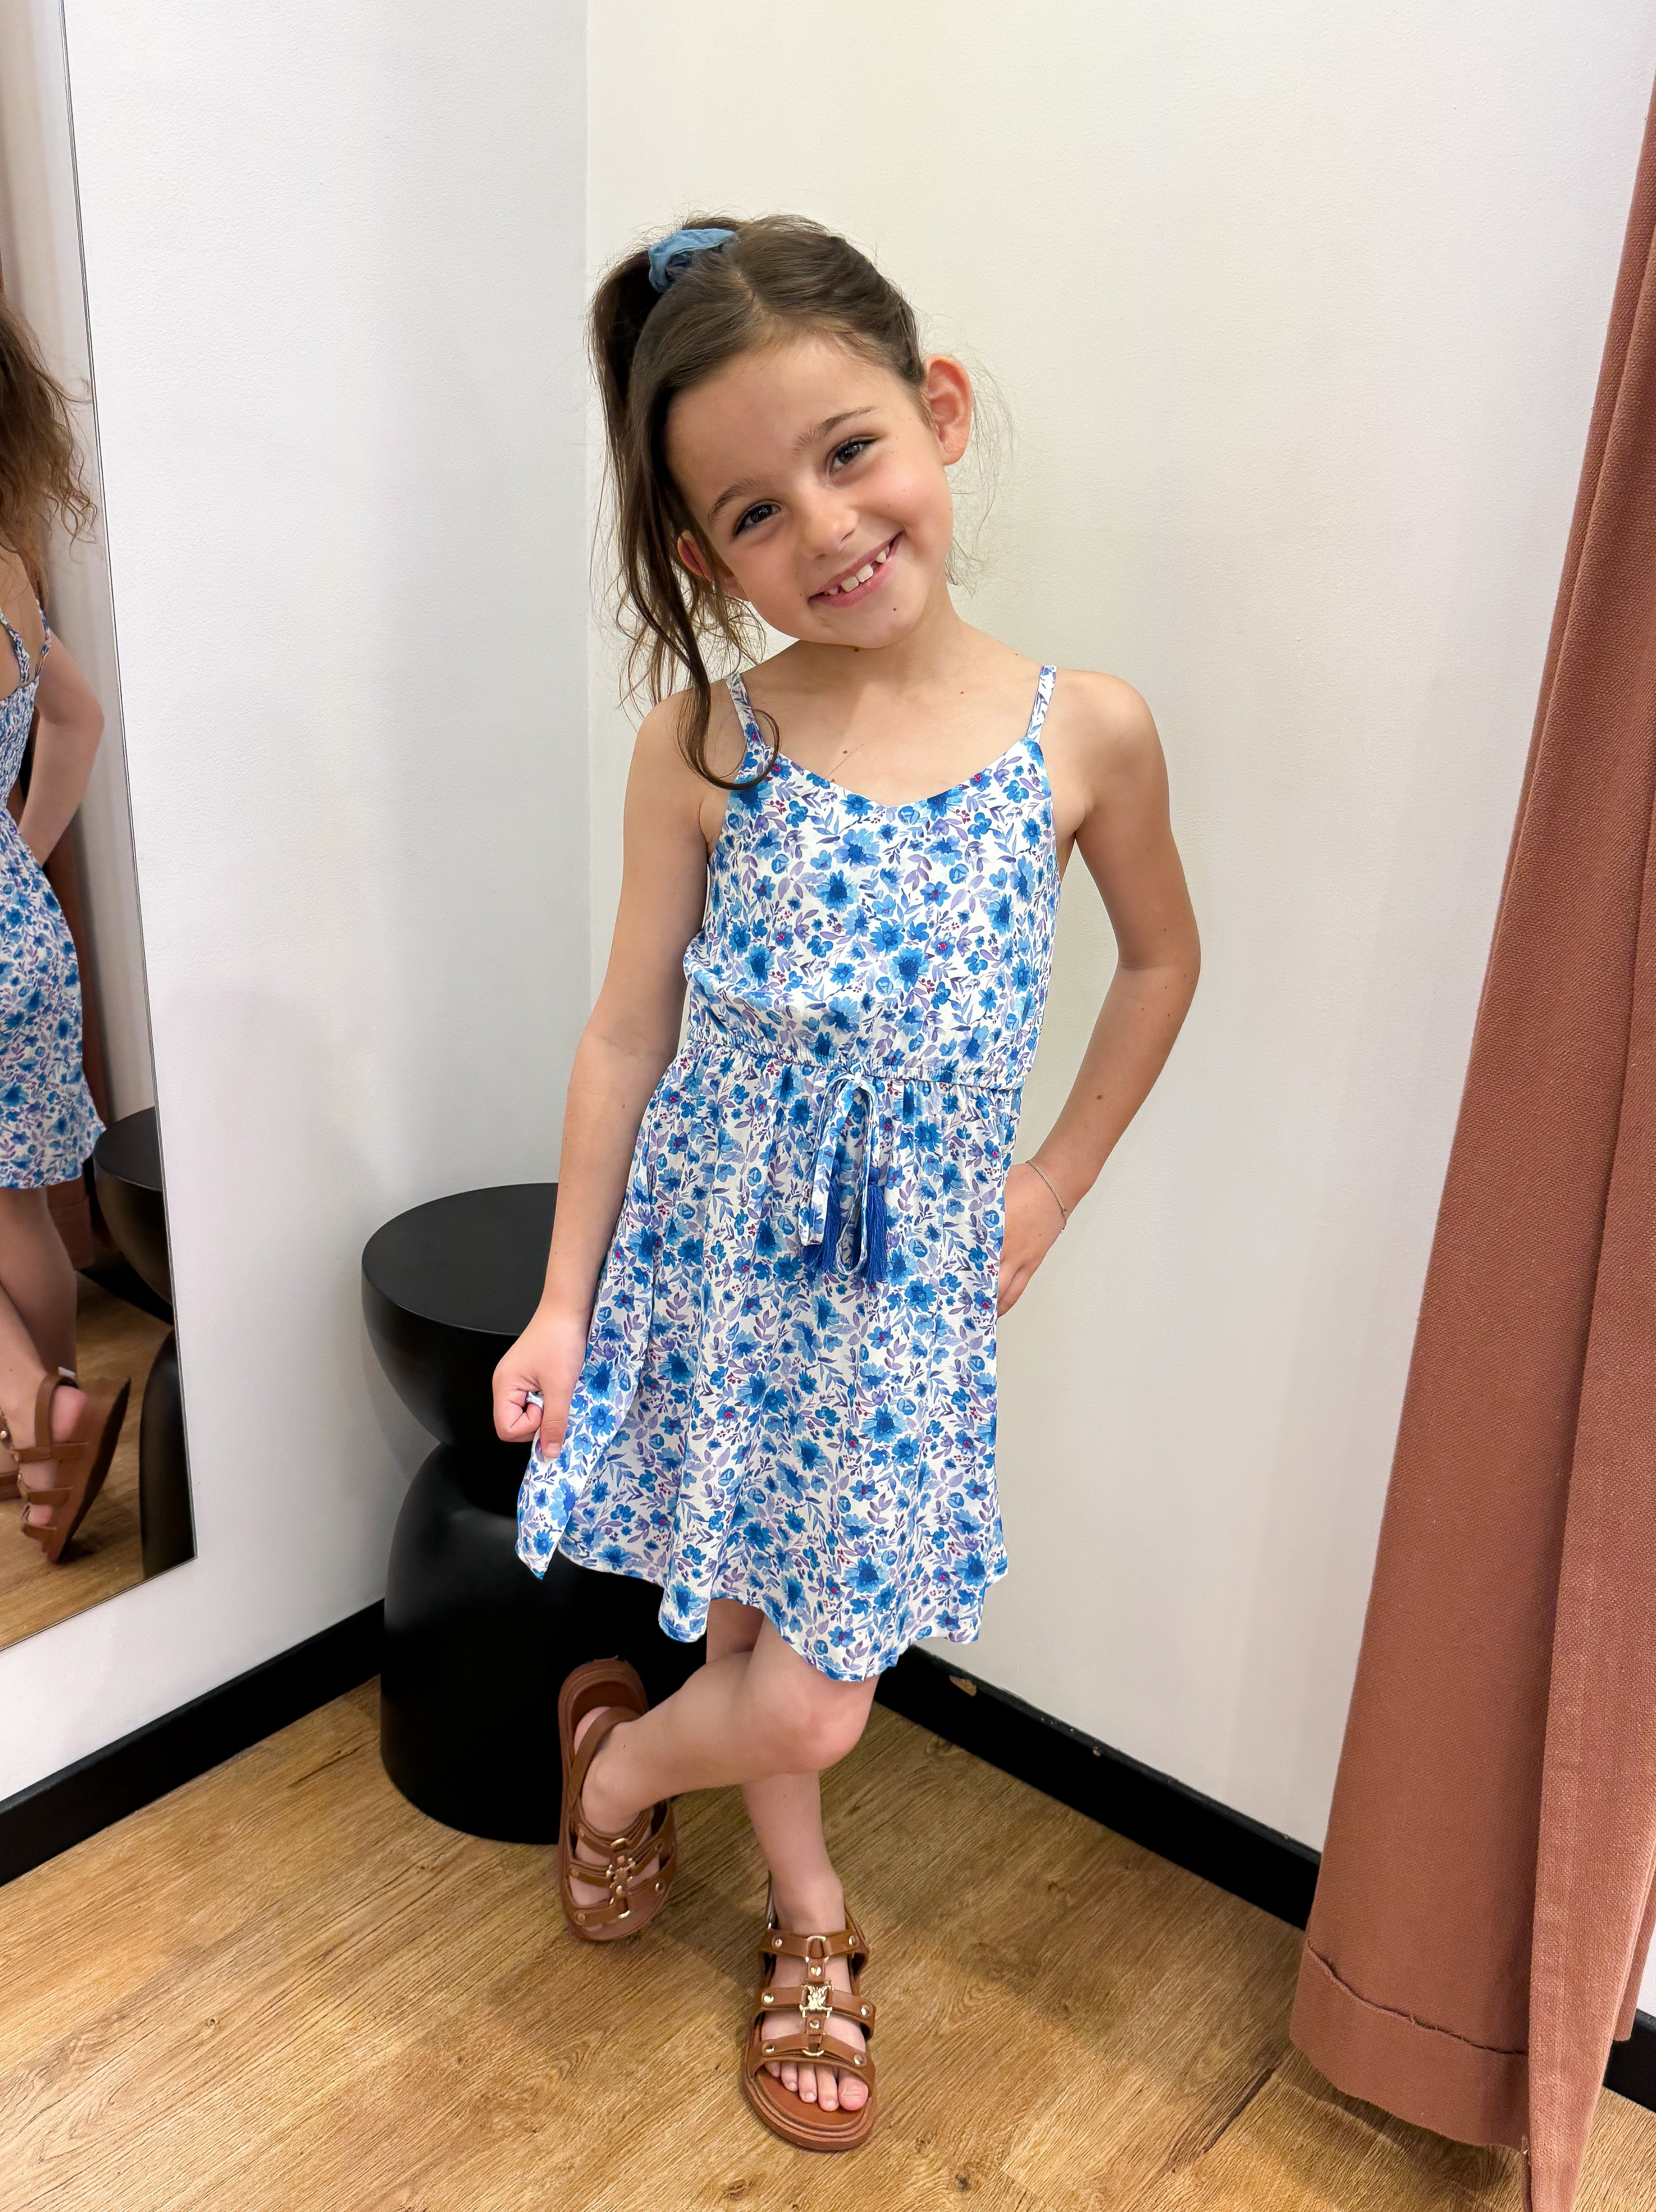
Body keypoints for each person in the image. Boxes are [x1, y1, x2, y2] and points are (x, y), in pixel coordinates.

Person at [493, 216, 1201, 2150]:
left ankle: (617, 1770)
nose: (823, 526)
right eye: (751, 510)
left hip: (900, 1309)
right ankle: (807, 1911)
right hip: (719, 1268)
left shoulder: (1086, 735)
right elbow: (625, 1035)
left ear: (937, 410)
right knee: (756, 1640)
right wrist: (562, 1302)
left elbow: (1161, 963)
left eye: (850, 452)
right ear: (701, 555)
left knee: (814, 1682)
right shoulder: (708, 743)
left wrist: (1050, 1185)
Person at [0, 293, 128, 1565]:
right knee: (20, 1208)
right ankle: (42, 1439)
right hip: (21, 931)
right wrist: (19, 858)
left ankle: (37, 1408)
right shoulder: (9, 568)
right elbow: (75, 723)